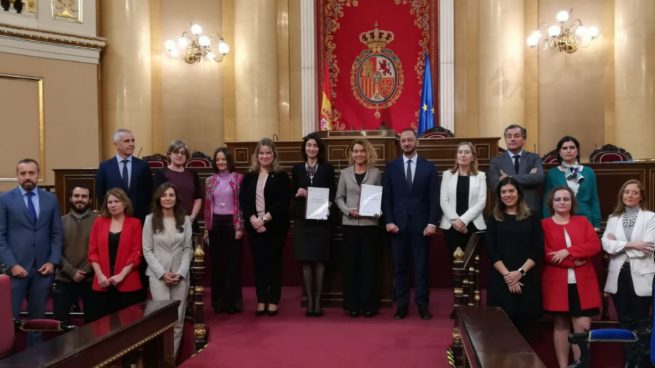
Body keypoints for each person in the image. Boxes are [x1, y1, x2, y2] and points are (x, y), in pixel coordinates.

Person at [0, 158, 63, 346]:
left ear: (38, 175)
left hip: (42, 270)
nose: (27, 177)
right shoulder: (4, 199)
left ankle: (35, 359)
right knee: (8, 318)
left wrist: (52, 261)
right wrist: (12, 265)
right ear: (17, 176)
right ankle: (7, 359)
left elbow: (57, 233)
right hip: (16, 270)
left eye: (31, 173)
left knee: (37, 320)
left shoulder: (50, 199)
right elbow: (0, 236)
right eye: (23, 173)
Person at [382, 128, 440, 320]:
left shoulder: (429, 167)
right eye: (403, 141)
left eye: (409, 140)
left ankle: (422, 305)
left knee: (421, 267)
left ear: (417, 142)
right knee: (400, 267)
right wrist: (389, 220)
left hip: (421, 226)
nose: (406, 143)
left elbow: (434, 198)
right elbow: (386, 198)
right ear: (400, 143)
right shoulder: (391, 167)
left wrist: (432, 223)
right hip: (397, 226)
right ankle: (402, 305)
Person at [541, 186, 601, 368]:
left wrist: (568, 251)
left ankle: (580, 365)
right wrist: (571, 263)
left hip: (584, 282)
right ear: (551, 203)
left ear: (572, 202)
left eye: (566, 199)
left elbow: (594, 245)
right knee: (560, 324)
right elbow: (544, 253)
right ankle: (563, 366)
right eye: (557, 199)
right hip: (556, 283)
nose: (561, 202)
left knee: (582, 327)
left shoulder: (583, 221)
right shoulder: (543, 224)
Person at [602, 179, 655, 367]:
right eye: (626, 192)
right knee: (624, 320)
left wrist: (618, 244)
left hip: (641, 275)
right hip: (618, 276)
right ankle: (629, 360)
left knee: (641, 321)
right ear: (621, 195)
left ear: (641, 196)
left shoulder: (650, 217)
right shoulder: (613, 218)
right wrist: (632, 244)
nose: (630, 195)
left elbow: (648, 247)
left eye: (634, 192)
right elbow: (606, 245)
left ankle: (642, 361)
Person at [239, 138, 290, 317]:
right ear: (257, 155)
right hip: (254, 227)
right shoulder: (249, 175)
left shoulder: (281, 176)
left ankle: (273, 300)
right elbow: (244, 200)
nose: (265, 156)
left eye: (268, 153)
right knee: (259, 265)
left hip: (274, 227)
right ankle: (261, 299)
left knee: (273, 264)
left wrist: (264, 219)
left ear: (273, 155)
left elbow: (284, 201)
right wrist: (254, 219)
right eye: (261, 153)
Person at [486, 177, 543, 333]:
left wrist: (520, 273)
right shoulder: (494, 218)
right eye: (503, 192)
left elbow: (537, 248)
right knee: (502, 327)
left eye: (511, 191)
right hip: (501, 277)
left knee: (526, 325)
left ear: (519, 193)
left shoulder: (532, 216)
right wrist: (508, 277)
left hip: (527, 277)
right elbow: (492, 250)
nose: (507, 195)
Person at [143, 183, 193, 356]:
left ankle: (171, 360)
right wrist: (162, 273)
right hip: (158, 277)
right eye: (164, 195)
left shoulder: (185, 219)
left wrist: (180, 273)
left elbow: (188, 249)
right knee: (162, 321)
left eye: (171, 195)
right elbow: (147, 250)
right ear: (159, 198)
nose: (167, 198)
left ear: (176, 198)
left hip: (180, 275)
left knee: (178, 320)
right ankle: (161, 359)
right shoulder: (150, 219)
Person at [335, 139, 382, 318]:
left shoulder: (375, 172)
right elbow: (338, 197)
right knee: (351, 265)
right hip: (350, 225)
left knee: (369, 266)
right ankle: (352, 305)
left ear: (367, 152)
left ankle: (369, 305)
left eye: (362, 151)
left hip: (370, 225)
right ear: (351, 154)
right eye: (355, 151)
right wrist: (348, 210)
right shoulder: (345, 173)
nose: (359, 154)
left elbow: (379, 196)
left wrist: (377, 211)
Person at [292, 133, 335, 317]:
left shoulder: (327, 169)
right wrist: (297, 193)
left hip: (321, 220)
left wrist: (327, 204)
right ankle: (309, 298)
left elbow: (332, 192)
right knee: (306, 260)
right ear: (304, 148)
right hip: (303, 220)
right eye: (309, 145)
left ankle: (318, 300)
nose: (312, 149)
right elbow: (291, 193)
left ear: (319, 149)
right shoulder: (297, 169)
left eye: (315, 146)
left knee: (320, 260)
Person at [87, 188, 143, 322]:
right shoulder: (99, 222)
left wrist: (121, 275)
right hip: (102, 282)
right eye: (109, 202)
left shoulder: (135, 223)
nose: (112, 205)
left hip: (127, 281)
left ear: (125, 203)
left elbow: (136, 253)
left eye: (116, 201)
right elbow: (92, 252)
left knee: (128, 326)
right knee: (101, 326)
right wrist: (100, 275)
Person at [204, 147, 244, 314]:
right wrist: (207, 229)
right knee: (217, 265)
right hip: (215, 224)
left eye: (223, 159)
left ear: (229, 160)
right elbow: (207, 207)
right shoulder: (210, 180)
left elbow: (241, 205)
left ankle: (234, 302)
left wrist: (240, 227)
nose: (220, 162)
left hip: (232, 223)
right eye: (218, 159)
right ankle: (219, 302)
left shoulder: (239, 179)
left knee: (232, 264)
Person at [53, 185, 98, 324]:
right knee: (60, 321)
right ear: (71, 199)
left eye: (84, 196)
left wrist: (85, 271)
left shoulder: (100, 221)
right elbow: (55, 250)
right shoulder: (60, 221)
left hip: (90, 278)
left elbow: (101, 251)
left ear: (90, 200)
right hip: (64, 277)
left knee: (93, 322)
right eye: (77, 196)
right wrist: (71, 271)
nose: (80, 199)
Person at [439, 142, 487, 260]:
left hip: (473, 225)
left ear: (473, 157)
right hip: (451, 225)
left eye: (467, 152)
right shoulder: (447, 175)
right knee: (455, 264)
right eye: (460, 152)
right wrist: (456, 221)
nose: (463, 155)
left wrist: (463, 220)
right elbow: (443, 200)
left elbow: (481, 202)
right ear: (456, 156)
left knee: (472, 264)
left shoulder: (480, 176)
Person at [95, 128, 153, 222]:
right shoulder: (105, 166)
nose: (131, 144)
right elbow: (100, 193)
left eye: (133, 141)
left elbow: (149, 192)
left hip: (139, 218)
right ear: (116, 144)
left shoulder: (143, 166)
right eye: (127, 141)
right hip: (113, 218)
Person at [543, 136, 601, 230]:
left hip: (585, 219)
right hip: (559, 220)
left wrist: (596, 223)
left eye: (572, 147)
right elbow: (547, 200)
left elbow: (594, 199)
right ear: (560, 152)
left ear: (577, 151)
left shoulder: (588, 172)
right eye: (565, 148)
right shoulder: (552, 173)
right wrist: (547, 222)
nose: (568, 150)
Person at [489, 124, 544, 214]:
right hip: (506, 209)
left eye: (517, 136)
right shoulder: (496, 161)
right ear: (506, 140)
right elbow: (495, 185)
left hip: (530, 207)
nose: (512, 139)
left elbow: (539, 178)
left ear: (524, 139)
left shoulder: (534, 158)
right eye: (509, 136)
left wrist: (509, 178)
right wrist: (528, 178)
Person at [153, 139, 202, 226]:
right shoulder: (161, 173)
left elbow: (198, 198)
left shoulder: (192, 174)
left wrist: (192, 217)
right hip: (168, 221)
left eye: (183, 153)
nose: (179, 155)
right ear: (169, 154)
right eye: (176, 152)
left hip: (190, 221)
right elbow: (158, 198)